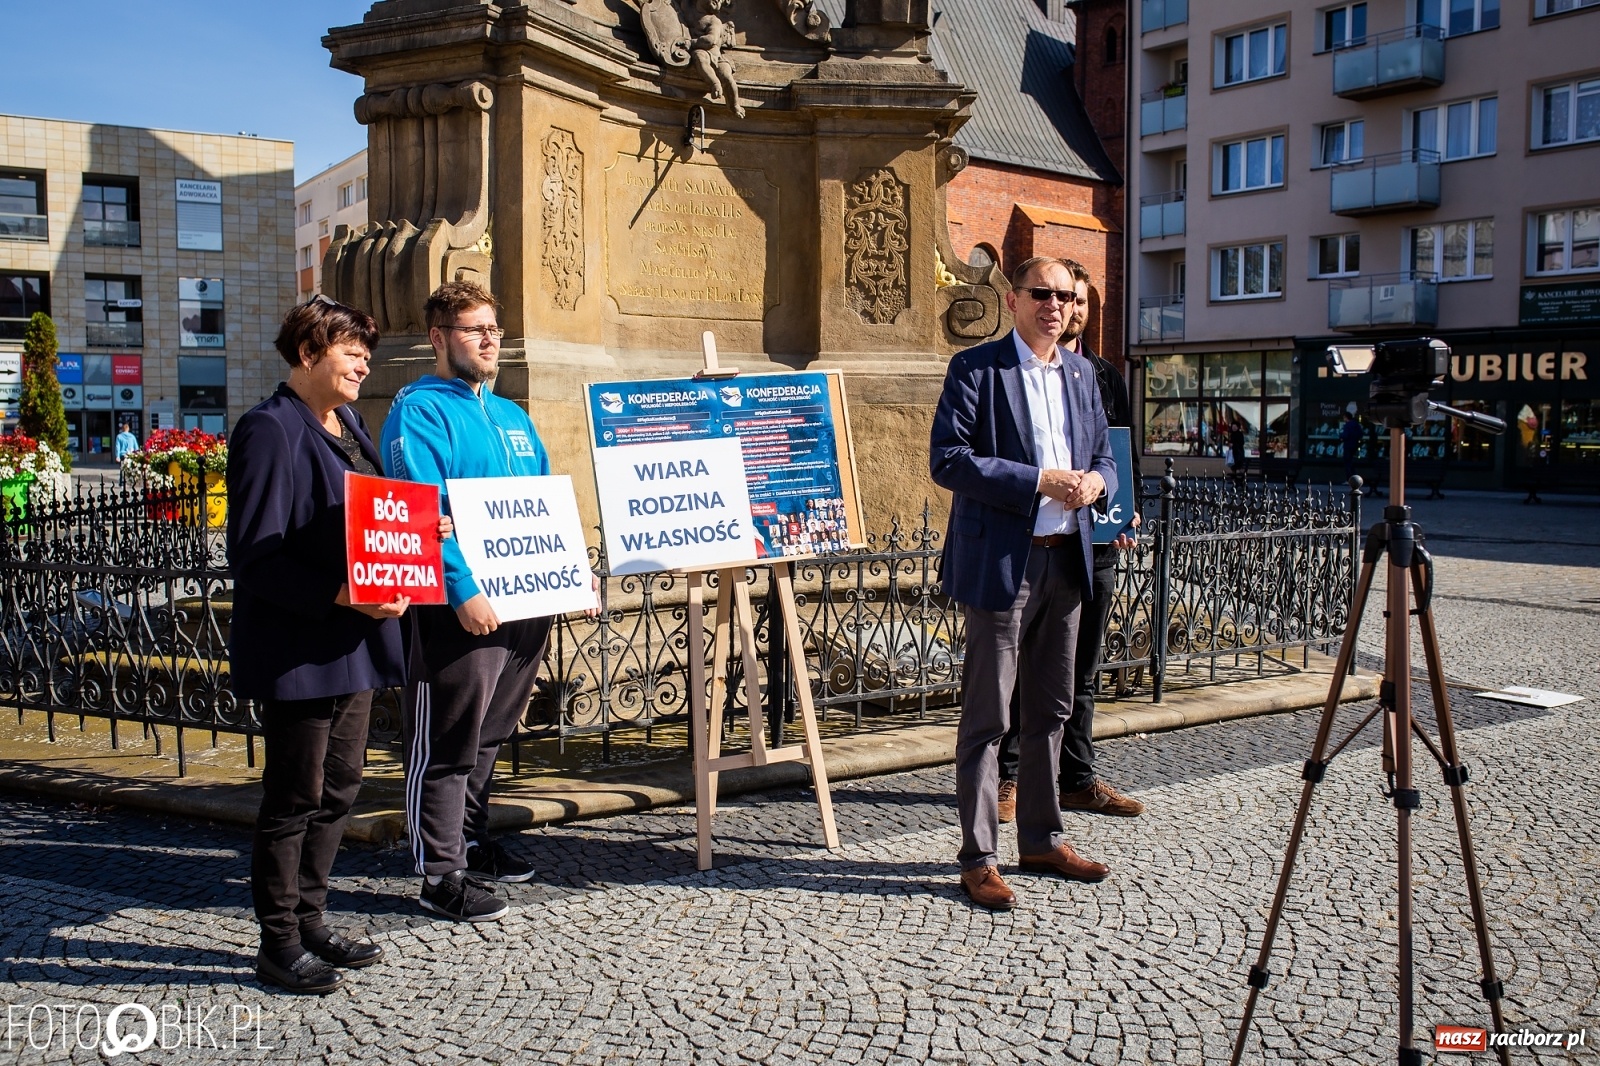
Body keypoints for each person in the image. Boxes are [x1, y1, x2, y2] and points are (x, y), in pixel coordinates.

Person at [229, 295, 442, 994]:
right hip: (301, 645)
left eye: (366, 351)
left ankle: (313, 918)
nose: (364, 363)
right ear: (308, 351)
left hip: (353, 642)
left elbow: (369, 513)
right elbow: (256, 556)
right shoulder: (269, 430)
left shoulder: (350, 421)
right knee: (294, 793)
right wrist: (339, 594)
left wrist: (418, 537)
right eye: (351, 350)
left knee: (341, 785)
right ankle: (279, 941)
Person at [929, 255, 1118, 912]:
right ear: (1012, 300)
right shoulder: (976, 369)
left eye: (1066, 296)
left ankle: (1041, 838)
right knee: (988, 719)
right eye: (1042, 293)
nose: (1055, 306)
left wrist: (1098, 483)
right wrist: (1037, 480)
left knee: (1052, 710)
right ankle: (979, 857)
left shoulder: (1083, 375)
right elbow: (948, 460)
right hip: (1004, 565)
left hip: (1067, 559)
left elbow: (1102, 457)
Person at [380, 280, 558, 924]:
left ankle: (473, 841)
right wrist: (462, 589)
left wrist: (570, 578)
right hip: (462, 606)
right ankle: (439, 872)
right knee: (447, 740)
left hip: (526, 603)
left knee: (489, 734)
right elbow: (419, 511)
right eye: (473, 330)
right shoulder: (419, 412)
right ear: (438, 337)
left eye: (493, 330)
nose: (489, 341)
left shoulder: (513, 416)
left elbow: (542, 505)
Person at [995, 259, 1143, 825]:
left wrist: (1124, 513)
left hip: (1092, 540)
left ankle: (1076, 778)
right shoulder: (1013, 369)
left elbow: (1119, 455)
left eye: (1077, 300)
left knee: (1078, 669)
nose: (1068, 308)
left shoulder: (1100, 376)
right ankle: (1009, 779)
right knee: (1017, 676)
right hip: (1033, 543)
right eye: (1058, 296)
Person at [1340, 410, 1362, 481]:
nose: (1344, 419)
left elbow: (1345, 435)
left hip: (1348, 445)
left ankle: (1349, 479)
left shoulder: (1347, 425)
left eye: (1344, 418)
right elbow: (1360, 434)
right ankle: (1354, 478)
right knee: (1351, 462)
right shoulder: (1356, 425)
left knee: (1347, 463)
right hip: (1354, 445)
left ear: (1346, 418)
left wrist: (1341, 437)